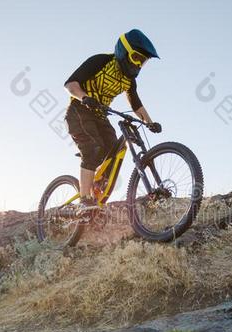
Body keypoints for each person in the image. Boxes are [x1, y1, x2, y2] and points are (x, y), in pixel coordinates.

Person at [64, 29, 162, 212]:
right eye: (136, 58)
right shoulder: (100, 61)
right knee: (92, 148)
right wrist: (85, 98)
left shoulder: (129, 81)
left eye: (143, 61)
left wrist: (149, 122)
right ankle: (84, 201)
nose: (139, 65)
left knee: (117, 150)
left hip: (100, 116)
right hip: (79, 111)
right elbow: (70, 84)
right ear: (124, 51)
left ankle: (98, 199)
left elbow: (136, 104)